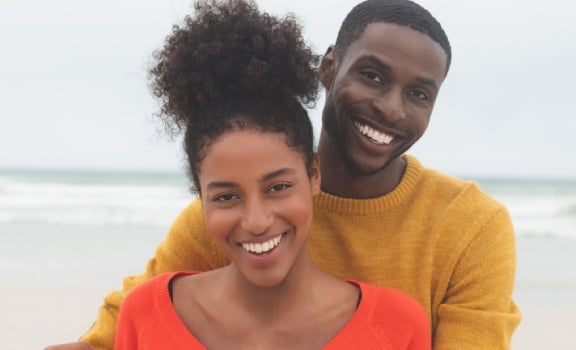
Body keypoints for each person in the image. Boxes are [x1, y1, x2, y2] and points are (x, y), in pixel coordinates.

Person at [46, 0, 520, 349]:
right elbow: (117, 331)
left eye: (419, 93)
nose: (390, 108)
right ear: (329, 67)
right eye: (372, 75)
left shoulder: (472, 227)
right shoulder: (235, 215)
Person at [113, 1, 430, 348]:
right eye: (226, 196)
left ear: (314, 176)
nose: (257, 221)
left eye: (278, 187)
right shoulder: (144, 315)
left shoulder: (398, 327)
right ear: (199, 198)